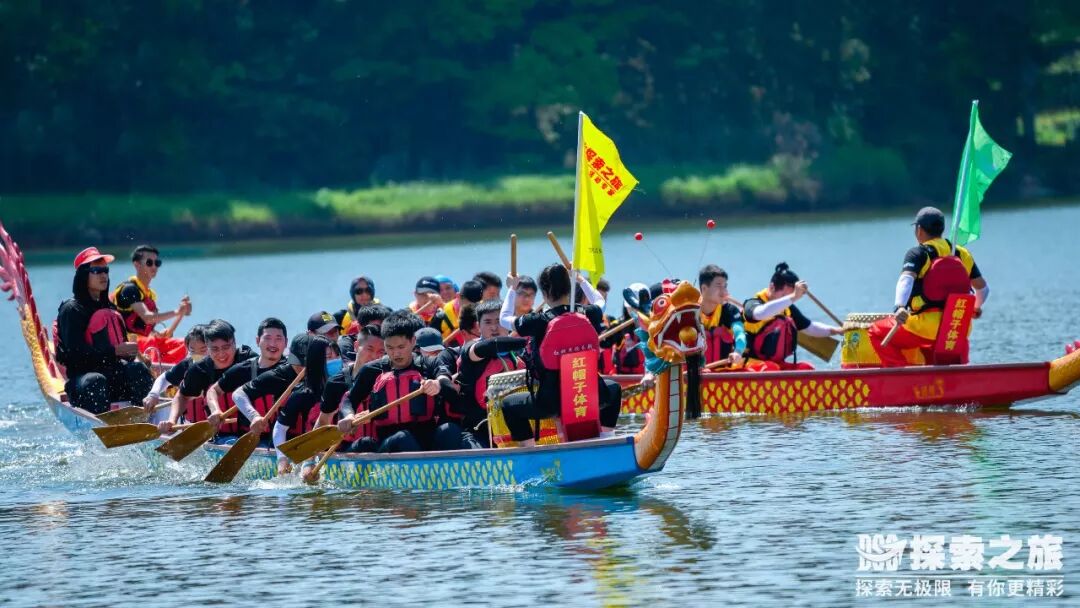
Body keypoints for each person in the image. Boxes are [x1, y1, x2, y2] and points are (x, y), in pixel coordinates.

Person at [501, 264, 622, 447]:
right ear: (570, 288)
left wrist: (512, 287)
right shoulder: (586, 313)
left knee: (509, 405)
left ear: (545, 293)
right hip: (591, 394)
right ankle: (606, 440)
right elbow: (600, 301)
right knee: (614, 389)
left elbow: (504, 318)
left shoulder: (537, 321)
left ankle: (530, 451)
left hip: (550, 403)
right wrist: (580, 279)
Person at [868, 207, 989, 367]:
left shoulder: (918, 253)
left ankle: (901, 378)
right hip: (957, 327)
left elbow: (906, 280)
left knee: (875, 332)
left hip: (925, 327)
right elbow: (983, 289)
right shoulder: (961, 253)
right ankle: (949, 378)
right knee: (937, 350)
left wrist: (899, 307)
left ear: (919, 230)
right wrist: (975, 307)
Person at [338, 310, 460, 453]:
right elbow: (349, 401)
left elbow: (446, 383)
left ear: (413, 342)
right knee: (402, 438)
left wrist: (438, 385)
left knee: (450, 430)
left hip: (426, 443)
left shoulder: (429, 364)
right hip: (389, 446)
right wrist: (348, 416)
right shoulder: (371, 370)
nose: (396, 353)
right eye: (389, 348)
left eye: (401, 347)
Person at [55, 247, 153, 414]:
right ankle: (102, 428)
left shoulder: (109, 307)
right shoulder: (71, 310)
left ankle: (145, 417)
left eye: (105, 271)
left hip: (113, 376)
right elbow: (74, 355)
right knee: (96, 380)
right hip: (83, 382)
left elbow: (120, 346)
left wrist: (131, 354)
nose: (103, 275)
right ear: (83, 275)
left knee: (138, 370)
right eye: (96, 271)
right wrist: (114, 351)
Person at [452, 299, 527, 447]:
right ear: (478, 326)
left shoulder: (519, 360)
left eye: (500, 321)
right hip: (478, 430)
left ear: (507, 322)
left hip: (512, 429)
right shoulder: (471, 350)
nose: (494, 327)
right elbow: (490, 346)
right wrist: (527, 338)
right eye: (487, 322)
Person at [158, 319, 256, 433]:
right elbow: (182, 396)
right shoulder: (199, 369)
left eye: (226, 347)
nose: (221, 354)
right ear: (208, 348)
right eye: (215, 349)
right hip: (220, 435)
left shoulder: (251, 361)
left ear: (234, 342)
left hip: (254, 431)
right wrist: (172, 421)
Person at [742, 263, 844, 371]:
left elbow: (810, 327)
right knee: (770, 368)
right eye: (785, 296)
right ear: (772, 287)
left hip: (776, 364)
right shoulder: (752, 304)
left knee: (806, 368)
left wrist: (838, 330)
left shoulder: (787, 309)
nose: (788, 301)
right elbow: (761, 313)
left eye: (790, 297)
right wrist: (793, 297)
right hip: (751, 364)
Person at [204, 317, 288, 439]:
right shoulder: (242, 370)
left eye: (278, 339)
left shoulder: (293, 370)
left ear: (286, 342)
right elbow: (213, 390)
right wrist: (215, 410)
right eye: (267, 338)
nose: (273, 344)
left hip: (285, 440)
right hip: (250, 439)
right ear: (258, 340)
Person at [274, 336, 341, 476]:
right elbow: (280, 428)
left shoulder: (347, 384)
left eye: (337, 356)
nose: (334, 361)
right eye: (328, 357)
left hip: (343, 447)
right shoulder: (303, 394)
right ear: (316, 362)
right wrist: (282, 460)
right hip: (313, 451)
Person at [231, 333, 312, 448]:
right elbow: (239, 394)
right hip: (283, 440)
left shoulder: (330, 372)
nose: (302, 368)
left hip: (317, 440)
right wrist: (253, 416)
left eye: (307, 364)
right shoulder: (281, 374)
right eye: (298, 363)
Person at [111, 245, 191, 340]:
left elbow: (165, 335)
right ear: (137, 264)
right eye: (149, 263)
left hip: (144, 342)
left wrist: (182, 312)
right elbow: (147, 318)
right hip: (127, 345)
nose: (154, 266)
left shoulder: (150, 294)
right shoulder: (129, 289)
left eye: (157, 263)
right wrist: (177, 312)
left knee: (184, 344)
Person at [143, 324, 209, 412]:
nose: (197, 356)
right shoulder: (187, 363)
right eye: (192, 350)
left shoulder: (223, 365)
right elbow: (164, 378)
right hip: (191, 422)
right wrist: (153, 395)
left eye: (203, 350)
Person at [698, 264, 746, 367]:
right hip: (695, 373)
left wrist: (738, 351)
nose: (724, 292)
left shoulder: (729, 310)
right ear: (704, 288)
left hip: (724, 373)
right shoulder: (690, 311)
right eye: (719, 286)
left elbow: (739, 332)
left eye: (725, 286)